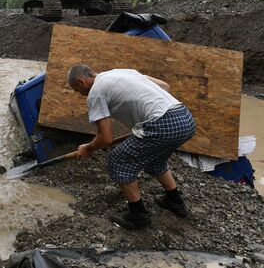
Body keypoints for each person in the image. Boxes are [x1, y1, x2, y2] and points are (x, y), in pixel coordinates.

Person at [67, 64, 196, 230]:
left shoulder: (95, 93)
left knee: (118, 160)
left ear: (81, 82)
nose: (80, 94)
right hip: (184, 118)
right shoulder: (121, 72)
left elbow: (105, 138)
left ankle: (138, 217)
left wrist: (88, 148)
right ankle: (175, 201)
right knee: (155, 160)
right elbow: (165, 86)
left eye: (77, 90)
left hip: (163, 124)